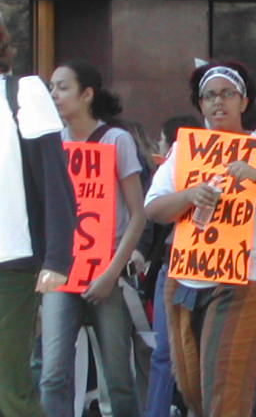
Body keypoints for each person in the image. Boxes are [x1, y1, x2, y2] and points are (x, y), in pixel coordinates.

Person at [145, 62, 256, 417]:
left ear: (244, 101)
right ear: (200, 105)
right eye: (209, 96)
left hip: (248, 281)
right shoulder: (184, 151)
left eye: (227, 94)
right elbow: (155, 208)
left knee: (226, 390)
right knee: (195, 390)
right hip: (186, 281)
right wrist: (190, 195)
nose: (218, 102)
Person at [41, 62, 146, 417]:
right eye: (51, 87)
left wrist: (112, 273)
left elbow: (138, 213)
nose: (54, 95)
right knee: (53, 373)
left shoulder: (117, 140)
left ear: (88, 94)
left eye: (63, 87)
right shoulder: (52, 141)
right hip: (62, 271)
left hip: (108, 272)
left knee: (117, 378)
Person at [0, 22, 76, 417]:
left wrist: (58, 258)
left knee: (9, 382)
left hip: (10, 259)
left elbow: (55, 181)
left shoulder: (23, 92)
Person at [145, 114, 201, 417]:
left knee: (202, 356)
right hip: (173, 267)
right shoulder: (170, 170)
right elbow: (152, 210)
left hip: (210, 269)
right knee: (165, 353)